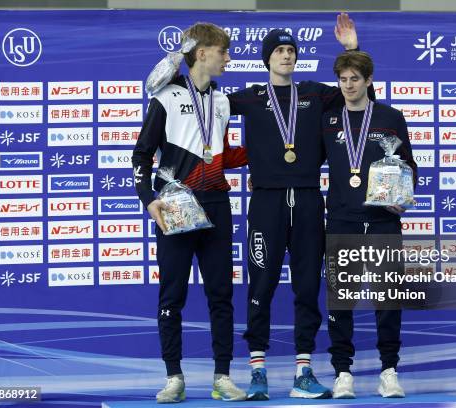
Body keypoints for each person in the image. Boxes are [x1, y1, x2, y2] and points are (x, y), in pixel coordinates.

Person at [227, 13, 368, 400]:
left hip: (307, 200)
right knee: (262, 284)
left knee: (308, 287)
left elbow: (355, 89)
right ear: (267, 58)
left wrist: (351, 49)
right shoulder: (251, 97)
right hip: (267, 202)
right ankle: (257, 371)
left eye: (291, 51)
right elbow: (206, 103)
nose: (286, 56)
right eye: (279, 51)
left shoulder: (315, 93)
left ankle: (303, 372)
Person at [132, 22, 248, 403]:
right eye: (223, 52)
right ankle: (173, 377)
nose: (228, 58)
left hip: (215, 203)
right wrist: (149, 199)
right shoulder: (165, 96)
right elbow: (141, 156)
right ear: (202, 53)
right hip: (174, 205)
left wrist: (266, 153)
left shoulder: (224, 100)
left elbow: (222, 153)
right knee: (172, 296)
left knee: (221, 295)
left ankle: (223, 377)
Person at [321, 50, 417, 399]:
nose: (348, 85)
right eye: (343, 80)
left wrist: (404, 197)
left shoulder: (391, 118)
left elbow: (409, 165)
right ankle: (343, 373)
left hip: (382, 222)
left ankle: (389, 371)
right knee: (340, 300)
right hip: (342, 220)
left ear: (369, 81)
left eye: (355, 79)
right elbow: (304, 163)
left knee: (388, 298)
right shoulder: (329, 120)